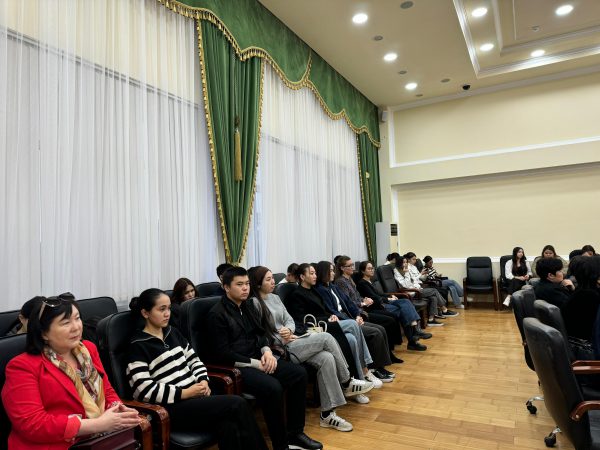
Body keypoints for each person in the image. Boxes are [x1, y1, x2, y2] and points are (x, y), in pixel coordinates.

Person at [127, 288, 267, 450]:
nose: (167, 314)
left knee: (228, 424)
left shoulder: (173, 333)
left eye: (169, 308)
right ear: (145, 313)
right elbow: (143, 390)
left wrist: (203, 381)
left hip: (195, 399)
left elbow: (195, 361)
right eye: (161, 309)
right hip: (170, 408)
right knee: (237, 403)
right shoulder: (137, 346)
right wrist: (186, 393)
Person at [2, 295, 141, 449]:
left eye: (77, 318)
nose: (76, 327)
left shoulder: (88, 349)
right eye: (66, 323)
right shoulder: (22, 366)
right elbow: (32, 424)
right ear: (44, 333)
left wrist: (118, 409)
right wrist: (97, 424)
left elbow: (106, 390)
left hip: (98, 439)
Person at [206, 267, 323, 450]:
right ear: (226, 287)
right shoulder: (217, 314)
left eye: (247, 284)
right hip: (239, 367)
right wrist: (257, 364)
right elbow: (223, 354)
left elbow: (260, 333)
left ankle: (295, 433)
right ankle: (281, 445)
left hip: (259, 358)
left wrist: (267, 351)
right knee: (273, 387)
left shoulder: (247, 306)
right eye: (239, 284)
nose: (245, 288)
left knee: (299, 374)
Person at [248, 266, 373, 432]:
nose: (273, 282)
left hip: (292, 339)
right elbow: (260, 334)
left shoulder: (275, 298)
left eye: (272, 278)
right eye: (268, 279)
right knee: (326, 337)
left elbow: (290, 320)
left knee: (327, 357)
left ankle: (327, 414)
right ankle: (347, 381)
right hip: (280, 348)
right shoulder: (254, 303)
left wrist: (289, 330)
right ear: (258, 283)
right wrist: (282, 337)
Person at [316, 261, 396, 382]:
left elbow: (349, 302)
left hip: (351, 318)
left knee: (380, 329)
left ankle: (380, 367)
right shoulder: (321, 290)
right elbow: (332, 311)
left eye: (333, 270)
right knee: (375, 333)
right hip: (344, 321)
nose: (333, 273)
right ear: (323, 272)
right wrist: (353, 320)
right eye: (331, 271)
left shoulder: (333, 287)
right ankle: (374, 368)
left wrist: (357, 315)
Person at [333, 256, 403, 362]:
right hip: (358, 312)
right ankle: (388, 355)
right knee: (387, 322)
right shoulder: (341, 282)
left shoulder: (349, 279)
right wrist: (362, 303)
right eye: (350, 266)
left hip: (362, 309)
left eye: (352, 265)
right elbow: (347, 302)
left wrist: (365, 299)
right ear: (342, 268)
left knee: (389, 320)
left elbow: (357, 296)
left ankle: (389, 352)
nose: (353, 267)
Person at [356, 260, 430, 350]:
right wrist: (388, 299)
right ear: (363, 271)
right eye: (369, 269)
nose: (372, 270)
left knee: (406, 301)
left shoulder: (370, 281)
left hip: (384, 301)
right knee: (403, 310)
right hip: (378, 306)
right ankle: (413, 338)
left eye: (372, 268)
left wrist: (390, 295)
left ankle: (414, 334)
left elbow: (380, 294)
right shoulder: (362, 283)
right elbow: (374, 298)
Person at [394, 257, 456, 326]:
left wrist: (417, 284)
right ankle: (444, 309)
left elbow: (413, 280)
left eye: (406, 262)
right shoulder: (397, 272)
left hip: (416, 289)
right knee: (434, 290)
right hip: (411, 293)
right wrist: (406, 273)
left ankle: (431, 320)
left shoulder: (406, 270)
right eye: (404, 262)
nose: (405, 264)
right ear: (399, 263)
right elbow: (406, 285)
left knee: (433, 297)